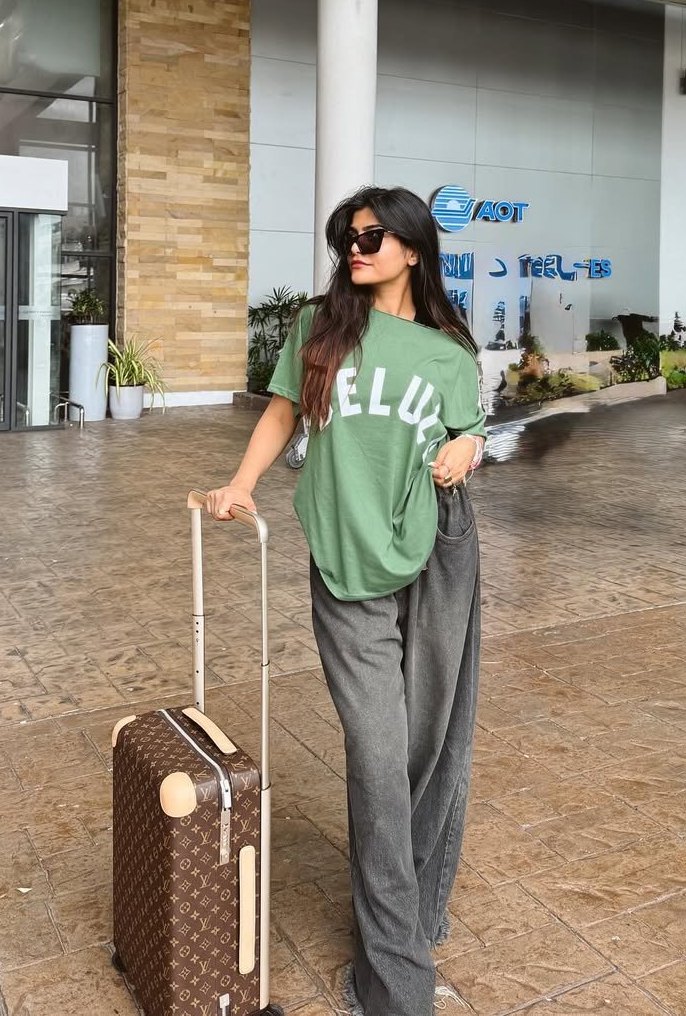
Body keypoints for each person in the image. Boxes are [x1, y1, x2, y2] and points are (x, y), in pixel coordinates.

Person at [206, 185, 486, 1016]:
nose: (355, 251)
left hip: (438, 550)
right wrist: (241, 484)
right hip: (345, 564)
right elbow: (283, 414)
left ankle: (415, 912)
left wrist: (470, 447)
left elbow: (467, 429)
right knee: (377, 757)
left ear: (412, 249)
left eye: (371, 238)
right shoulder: (319, 329)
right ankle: (397, 983)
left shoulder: (447, 352)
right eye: (347, 240)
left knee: (429, 746)